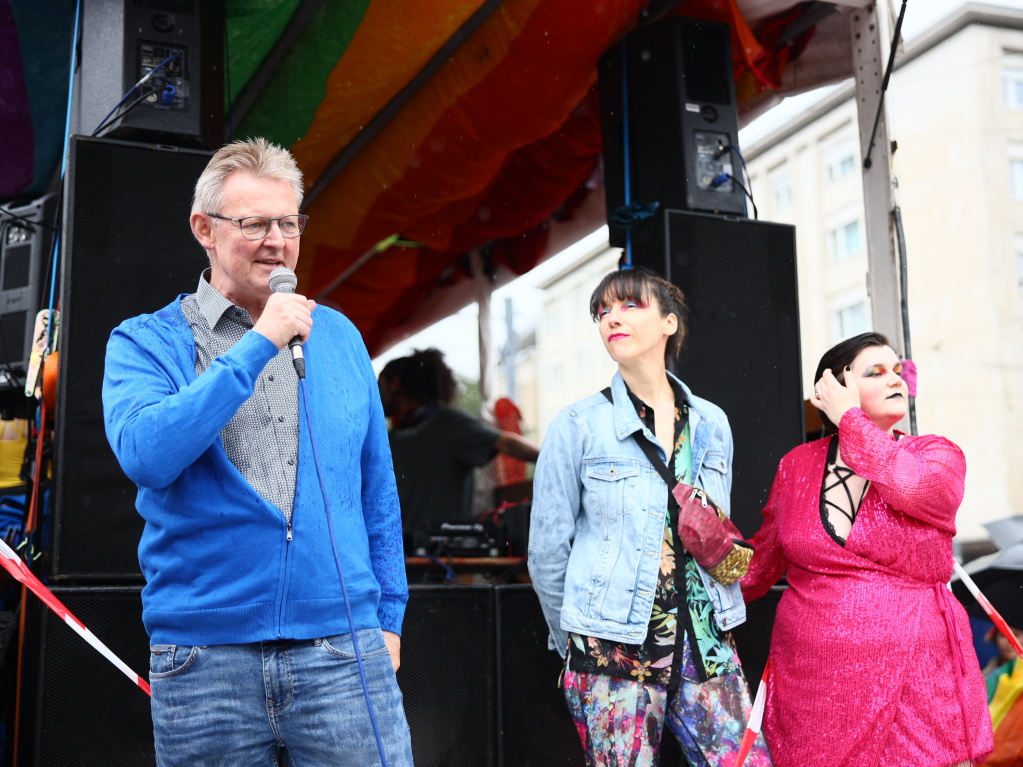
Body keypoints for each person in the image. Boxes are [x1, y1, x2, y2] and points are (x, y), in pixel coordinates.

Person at [102, 138, 413, 767]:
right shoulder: (144, 341)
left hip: (343, 647)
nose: (276, 240)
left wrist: (390, 616)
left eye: (288, 222)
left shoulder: (340, 337)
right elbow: (147, 454)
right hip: (204, 657)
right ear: (204, 230)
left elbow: (375, 488)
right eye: (254, 223)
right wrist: (259, 342)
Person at [528, 267, 771, 767]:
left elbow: (714, 528)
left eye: (629, 305)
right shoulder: (577, 427)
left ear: (668, 323)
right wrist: (578, 643)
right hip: (612, 651)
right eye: (602, 311)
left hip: (706, 644)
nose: (611, 318)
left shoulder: (711, 423)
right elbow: (547, 553)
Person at [742, 331, 994, 767]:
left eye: (898, 370)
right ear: (832, 388)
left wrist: (852, 420)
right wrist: (707, 547)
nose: (896, 380)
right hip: (813, 689)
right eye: (876, 372)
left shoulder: (935, 453)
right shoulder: (796, 465)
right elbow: (758, 567)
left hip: (914, 689)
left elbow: (912, 488)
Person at [378, 347, 539, 532]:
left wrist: (557, 460)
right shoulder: (393, 436)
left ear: (395, 384)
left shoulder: (448, 423)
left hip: (445, 552)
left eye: (379, 386)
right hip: (402, 551)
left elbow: (506, 442)